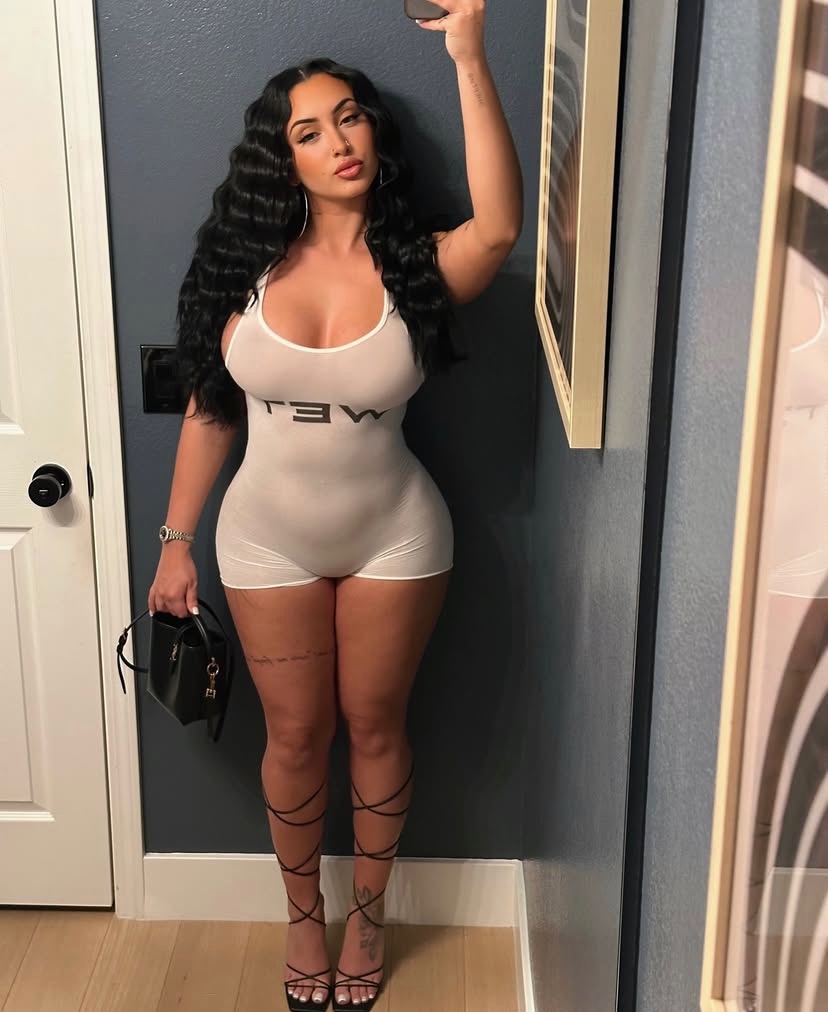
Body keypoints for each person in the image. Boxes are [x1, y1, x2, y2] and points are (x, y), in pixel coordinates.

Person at [148, 3, 521, 1009]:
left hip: (396, 536)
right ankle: (301, 919)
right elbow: (210, 409)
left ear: (374, 132)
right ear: (284, 160)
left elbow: (500, 227)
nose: (338, 141)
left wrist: (469, 54)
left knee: (377, 724)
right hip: (263, 538)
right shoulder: (241, 267)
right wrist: (176, 542)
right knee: (295, 737)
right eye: (308, 131)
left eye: (349, 117)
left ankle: (370, 916)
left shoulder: (419, 264)